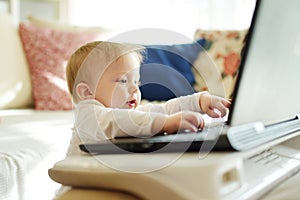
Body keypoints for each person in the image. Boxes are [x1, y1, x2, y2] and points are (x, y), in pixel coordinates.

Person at [65, 41, 231, 156]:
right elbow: (119, 121)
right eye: (123, 80)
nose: (134, 89)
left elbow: (163, 110)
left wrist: (198, 101)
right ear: (87, 92)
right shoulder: (87, 115)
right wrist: (165, 123)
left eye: (137, 82)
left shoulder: (131, 112)